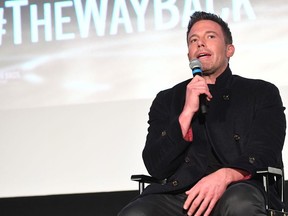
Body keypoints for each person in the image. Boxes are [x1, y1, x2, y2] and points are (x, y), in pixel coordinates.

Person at [118, 11, 286, 216]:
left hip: (239, 186)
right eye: (193, 40)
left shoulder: (260, 92)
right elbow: (155, 165)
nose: (200, 44)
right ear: (189, 55)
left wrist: (225, 176)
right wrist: (187, 113)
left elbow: (265, 150)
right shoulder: (167, 99)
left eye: (210, 36)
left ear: (229, 49)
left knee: (239, 204)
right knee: (136, 213)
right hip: (182, 193)